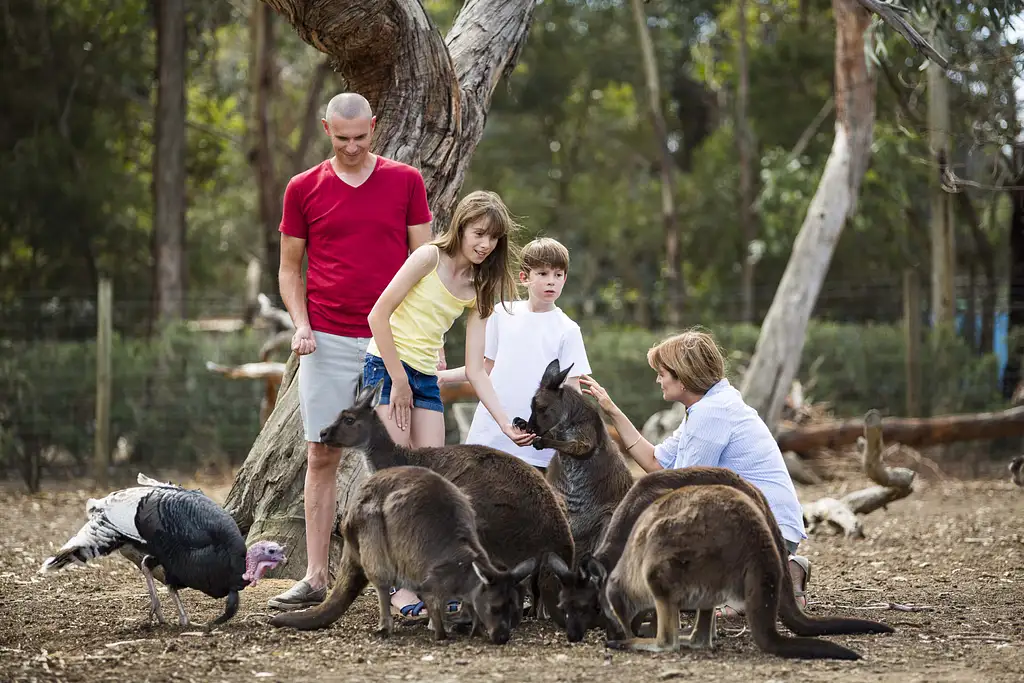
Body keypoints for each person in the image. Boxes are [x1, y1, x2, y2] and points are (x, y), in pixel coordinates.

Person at [266, 92, 434, 612]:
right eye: (343, 139)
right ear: (326, 129)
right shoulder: (303, 188)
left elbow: (425, 262)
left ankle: (407, 581)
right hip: (328, 339)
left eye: (362, 137)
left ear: (374, 127)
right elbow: (290, 269)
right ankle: (317, 577)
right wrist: (301, 326)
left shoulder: (406, 181)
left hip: (393, 341)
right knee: (323, 453)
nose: (354, 147)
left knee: (396, 462)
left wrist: (433, 341)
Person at [363, 188, 536, 618]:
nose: (485, 245)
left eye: (494, 239)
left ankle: (432, 580)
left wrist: (506, 424)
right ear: (461, 227)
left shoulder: (480, 285)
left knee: (432, 483)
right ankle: (398, 589)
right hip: (387, 366)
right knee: (395, 480)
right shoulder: (428, 257)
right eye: (479, 233)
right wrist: (398, 380)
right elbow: (377, 315)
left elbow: (477, 370)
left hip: (424, 377)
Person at [579, 328, 812, 617]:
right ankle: (775, 573)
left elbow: (682, 493)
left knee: (670, 586)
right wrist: (612, 410)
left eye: (662, 373)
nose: (658, 379)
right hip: (761, 527)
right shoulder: (706, 407)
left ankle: (774, 578)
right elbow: (655, 462)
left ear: (683, 376)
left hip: (764, 531)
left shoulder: (712, 413)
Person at [443, 237, 591, 473]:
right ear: (525, 277)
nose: (551, 281)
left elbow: (573, 390)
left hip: (537, 447)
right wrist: (442, 377)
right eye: (542, 273)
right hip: (490, 434)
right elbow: (484, 368)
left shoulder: (568, 329)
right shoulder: (502, 313)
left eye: (558, 274)